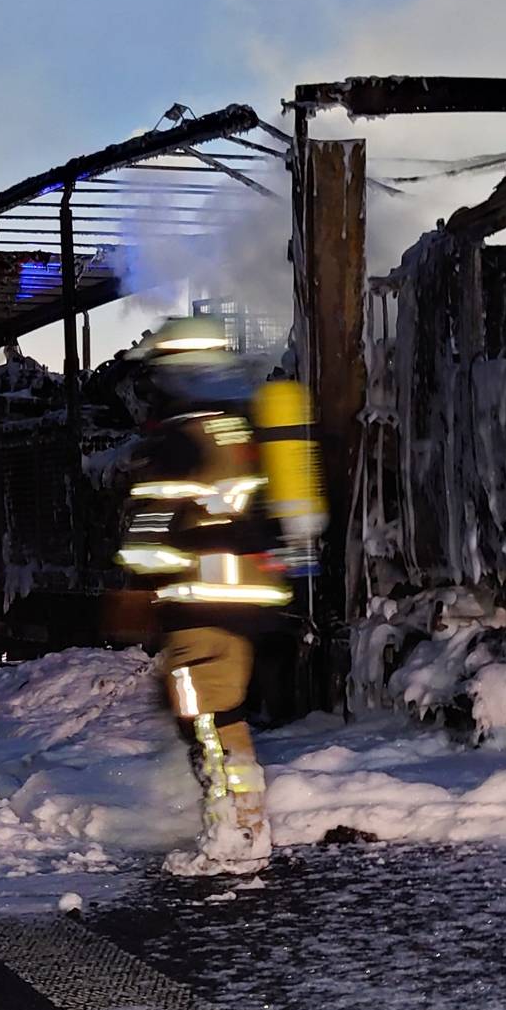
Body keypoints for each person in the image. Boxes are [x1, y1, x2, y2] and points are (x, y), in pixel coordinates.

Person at [116, 316, 324, 876]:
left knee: (207, 717)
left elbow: (152, 529)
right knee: (218, 714)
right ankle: (241, 823)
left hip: (198, 602)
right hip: (248, 601)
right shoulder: (243, 428)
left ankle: (238, 833)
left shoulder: (178, 441)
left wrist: (137, 577)